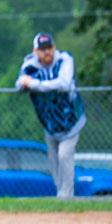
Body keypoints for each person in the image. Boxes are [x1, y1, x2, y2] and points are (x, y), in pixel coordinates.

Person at [15, 32, 86, 198]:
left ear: (54, 47)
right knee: (54, 162)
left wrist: (34, 84)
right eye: (42, 49)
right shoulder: (29, 66)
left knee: (64, 155)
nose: (47, 52)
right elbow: (19, 84)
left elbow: (63, 83)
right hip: (49, 124)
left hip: (71, 120)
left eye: (49, 48)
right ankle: (60, 193)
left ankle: (66, 197)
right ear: (35, 51)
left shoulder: (64, 60)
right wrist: (25, 83)